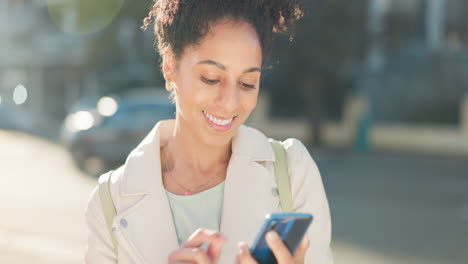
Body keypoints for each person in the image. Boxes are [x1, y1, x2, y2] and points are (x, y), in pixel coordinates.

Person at [84, 0, 333, 263]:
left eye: (248, 83)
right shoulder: (109, 202)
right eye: (211, 78)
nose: (230, 102)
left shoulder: (293, 171)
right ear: (170, 66)